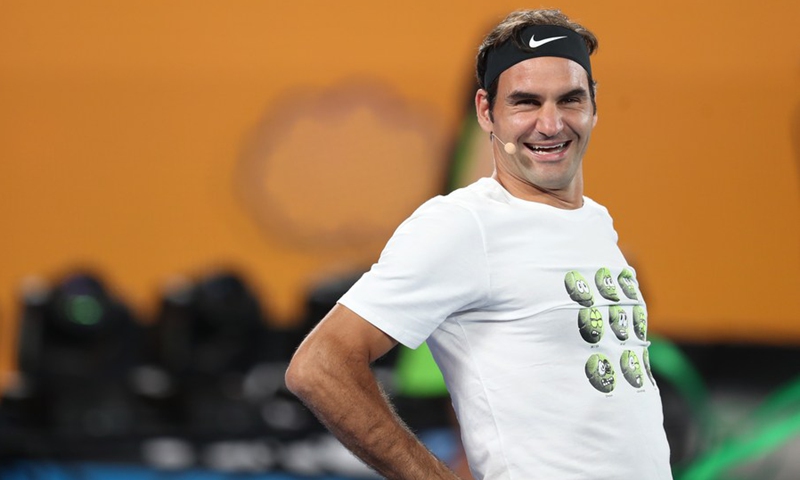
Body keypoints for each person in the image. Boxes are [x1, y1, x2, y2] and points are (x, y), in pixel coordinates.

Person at [285, 8, 673, 480]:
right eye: (526, 102)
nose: (551, 124)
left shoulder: (596, 223)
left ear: (593, 104)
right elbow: (319, 366)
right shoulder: (465, 223)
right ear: (486, 112)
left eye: (569, 99)